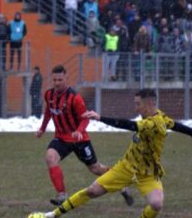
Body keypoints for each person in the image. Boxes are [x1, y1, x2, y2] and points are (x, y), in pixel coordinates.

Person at [41, 88, 192, 218]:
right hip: (126, 167)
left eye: (138, 104)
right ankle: (54, 214)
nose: (136, 108)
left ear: (149, 103)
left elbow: (127, 125)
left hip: (148, 173)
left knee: (156, 204)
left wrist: (100, 118)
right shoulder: (161, 118)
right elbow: (176, 125)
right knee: (92, 191)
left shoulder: (153, 123)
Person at [36, 65, 133, 207]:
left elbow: (85, 118)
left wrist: (79, 131)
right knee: (50, 157)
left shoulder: (75, 97)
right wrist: (42, 128)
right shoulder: (49, 95)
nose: (56, 83)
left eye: (60, 80)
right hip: (61, 138)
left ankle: (122, 183)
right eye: (54, 80)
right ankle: (62, 195)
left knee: (95, 168)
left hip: (80, 139)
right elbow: (48, 112)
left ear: (66, 78)